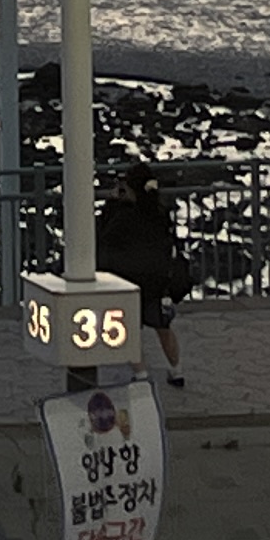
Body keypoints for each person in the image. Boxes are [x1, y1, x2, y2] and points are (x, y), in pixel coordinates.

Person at [94, 163, 192, 386]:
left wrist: (112, 203)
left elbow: (106, 236)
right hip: (158, 280)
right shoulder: (159, 212)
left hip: (129, 280)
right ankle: (176, 371)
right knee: (163, 327)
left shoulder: (124, 215)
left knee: (129, 329)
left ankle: (141, 374)